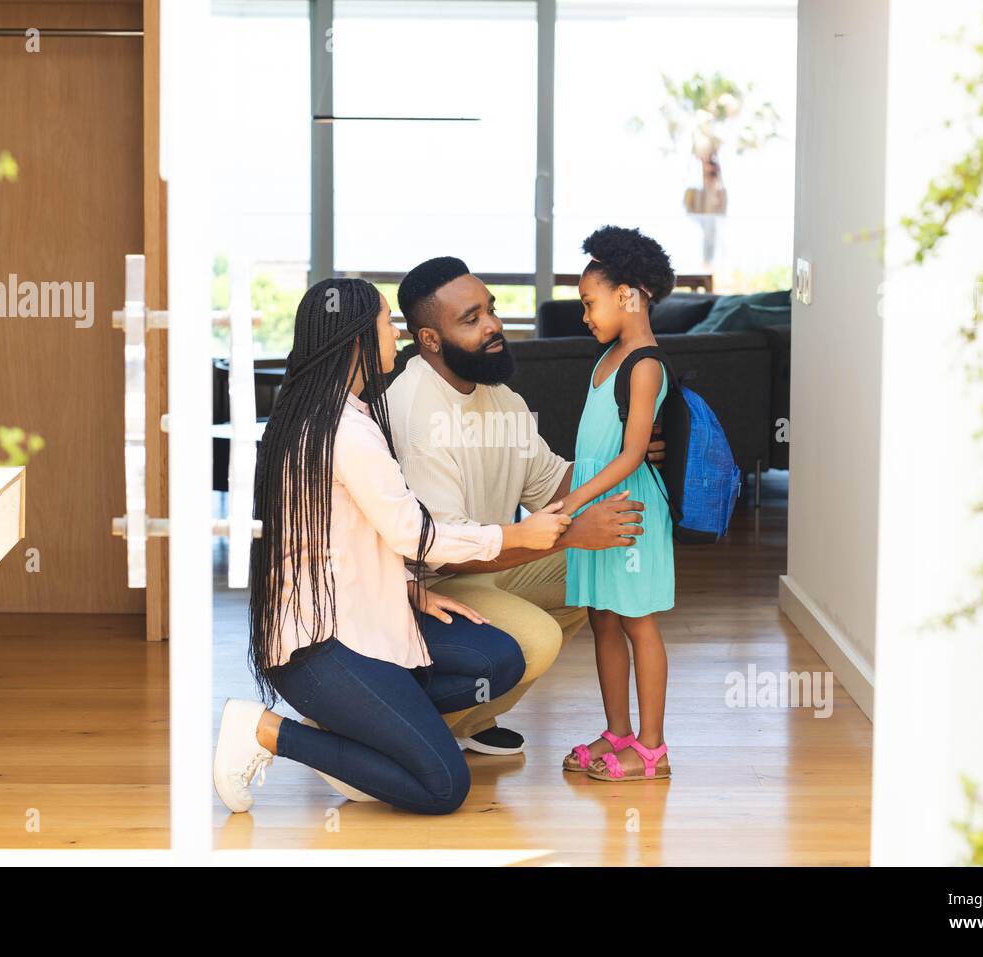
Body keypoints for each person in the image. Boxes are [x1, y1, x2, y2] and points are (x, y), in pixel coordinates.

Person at [212, 278, 570, 816]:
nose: (396, 333)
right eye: (386, 323)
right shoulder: (345, 430)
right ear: (358, 338)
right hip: (321, 644)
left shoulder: (337, 412)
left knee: (497, 659)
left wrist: (411, 590)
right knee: (444, 788)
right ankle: (265, 730)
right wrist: (514, 535)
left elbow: (337, 538)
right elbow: (412, 534)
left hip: (366, 617)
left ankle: (368, 738)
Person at [385, 257, 664, 755]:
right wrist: (575, 532)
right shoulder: (417, 413)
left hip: (484, 566)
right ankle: (403, 733)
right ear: (429, 339)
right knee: (536, 640)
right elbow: (443, 553)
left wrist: (631, 453)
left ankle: (470, 717)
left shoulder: (499, 396)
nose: (493, 325)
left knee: (603, 567)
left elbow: (554, 483)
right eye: (471, 320)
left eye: (490, 310)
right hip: (423, 588)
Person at [560, 226, 675, 782]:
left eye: (589, 302)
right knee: (602, 618)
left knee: (637, 623)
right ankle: (618, 733)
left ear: (627, 295)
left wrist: (574, 499)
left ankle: (652, 750)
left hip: (626, 511)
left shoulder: (645, 363)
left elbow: (632, 454)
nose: (585, 315)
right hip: (596, 512)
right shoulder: (608, 356)